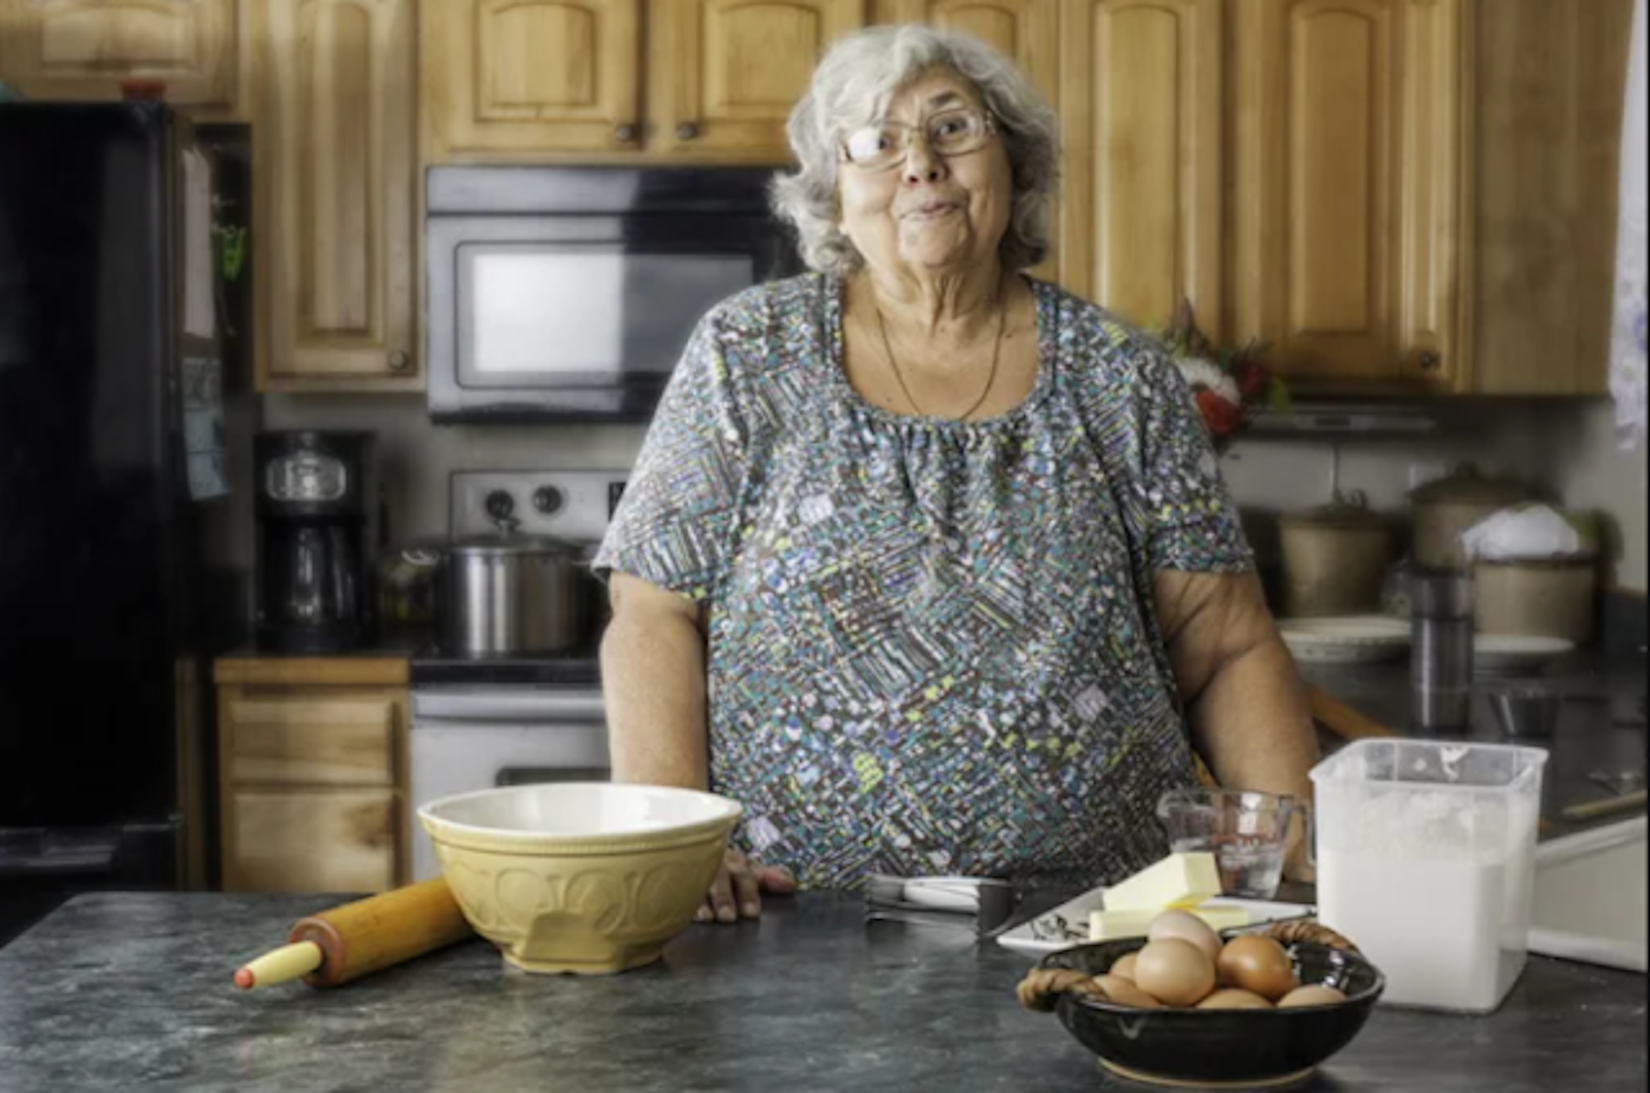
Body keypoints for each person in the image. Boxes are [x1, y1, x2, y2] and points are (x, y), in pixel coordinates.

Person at [592, 25, 1320, 925]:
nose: (919, 165)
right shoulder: (747, 355)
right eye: (877, 141)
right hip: (793, 929)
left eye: (953, 128)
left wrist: (1293, 858)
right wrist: (676, 836)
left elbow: (1228, 644)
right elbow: (653, 609)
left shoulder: (1118, 376)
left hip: (1093, 922)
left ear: (1012, 164)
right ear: (835, 191)